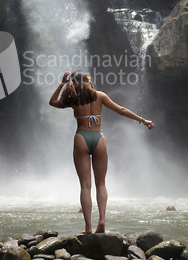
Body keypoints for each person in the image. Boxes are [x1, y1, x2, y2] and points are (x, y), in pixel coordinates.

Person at [49, 70, 155, 234]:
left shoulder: (73, 98)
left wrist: (62, 83)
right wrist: (143, 120)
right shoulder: (100, 96)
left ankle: (88, 227)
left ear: (74, 83)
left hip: (82, 137)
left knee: (85, 186)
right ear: (89, 81)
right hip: (99, 138)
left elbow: (52, 102)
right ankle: (102, 221)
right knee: (101, 184)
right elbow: (121, 110)